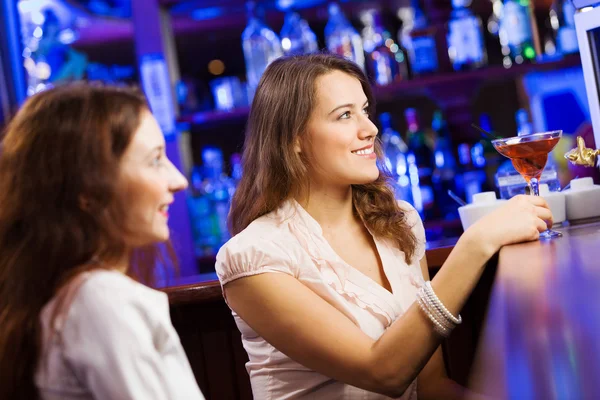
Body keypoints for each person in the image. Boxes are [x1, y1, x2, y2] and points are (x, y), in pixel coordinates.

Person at [216, 53, 553, 400]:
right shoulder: (253, 258)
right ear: (293, 139)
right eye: (345, 115)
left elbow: (432, 388)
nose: (370, 128)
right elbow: (383, 373)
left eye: (365, 110)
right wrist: (476, 244)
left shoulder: (399, 222)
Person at [0, 84, 205, 400]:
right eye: (155, 160)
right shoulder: (100, 300)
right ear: (86, 191)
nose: (179, 180)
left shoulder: (68, 295)